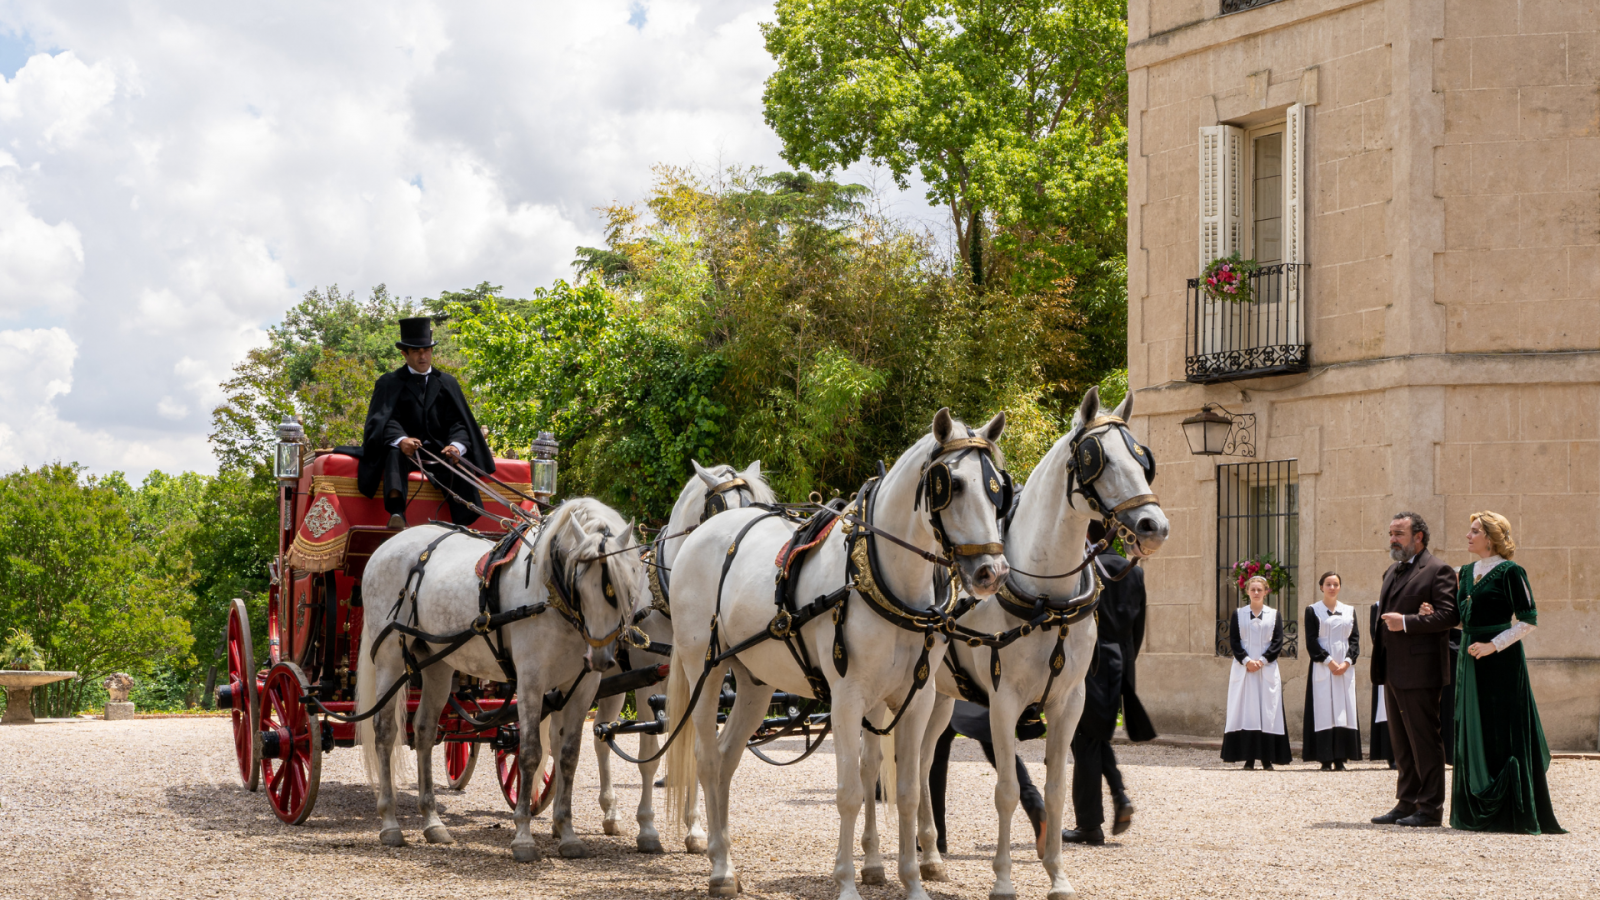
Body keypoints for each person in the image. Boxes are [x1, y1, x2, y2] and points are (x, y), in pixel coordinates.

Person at [1437, 511, 1564, 834]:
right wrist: (1438, 615)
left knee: (1502, 728)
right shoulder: (1465, 572)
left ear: (1491, 537)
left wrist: (1493, 645)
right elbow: (1466, 617)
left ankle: (1510, 810)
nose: (1468, 535)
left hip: (1502, 663)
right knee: (1472, 728)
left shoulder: (1511, 571)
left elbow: (1528, 620)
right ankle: (1474, 809)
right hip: (1470, 659)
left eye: (1475, 530)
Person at [1064, 524, 1156, 845]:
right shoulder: (1135, 572)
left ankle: (1090, 825)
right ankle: (1118, 796)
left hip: (1091, 662)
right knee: (1094, 735)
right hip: (1121, 662)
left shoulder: (1084, 567)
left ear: (1086, 534)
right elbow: (1138, 629)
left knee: (1084, 738)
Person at [358, 316, 495, 528]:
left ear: (431, 351)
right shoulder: (388, 382)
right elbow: (384, 420)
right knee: (393, 453)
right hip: (405, 452)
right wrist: (401, 439)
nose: (423, 356)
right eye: (416, 351)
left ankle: (466, 520)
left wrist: (456, 446)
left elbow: (459, 423)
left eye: (426, 351)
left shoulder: (447, 383)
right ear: (404, 354)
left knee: (457, 462)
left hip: (441, 451)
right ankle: (396, 512)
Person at [1370, 511, 1458, 827]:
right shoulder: (1391, 571)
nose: (1392, 539)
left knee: (1424, 740)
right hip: (1392, 669)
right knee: (1402, 743)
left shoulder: (1438, 571)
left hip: (1421, 671)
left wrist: (1409, 622)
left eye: (1399, 533)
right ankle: (1406, 802)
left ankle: (1430, 808)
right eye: (1391, 533)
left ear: (1418, 536)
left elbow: (1449, 616)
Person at [927, 699, 1046, 855]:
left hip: (955, 695)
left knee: (936, 756)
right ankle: (1034, 802)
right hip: (988, 695)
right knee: (1001, 752)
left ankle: (937, 837)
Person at [1221, 575, 1291, 769]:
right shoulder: (1238, 614)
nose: (1256, 593)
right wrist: (1246, 661)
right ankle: (1249, 758)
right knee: (1246, 712)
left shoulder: (1274, 614)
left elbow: (1277, 642)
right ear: (1247, 592)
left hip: (1266, 669)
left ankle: (1267, 759)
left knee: (1267, 712)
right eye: (1253, 589)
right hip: (1244, 670)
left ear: (1266, 591)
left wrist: (1261, 661)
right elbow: (1234, 640)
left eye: (1260, 589)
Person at [1303, 571, 1361, 769]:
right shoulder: (1312, 610)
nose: (1332, 588)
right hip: (1322, 667)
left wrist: (1347, 662)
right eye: (1328, 584)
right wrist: (1328, 661)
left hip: (1344, 669)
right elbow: (1311, 640)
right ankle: (1325, 759)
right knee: (1324, 710)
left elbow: (1354, 640)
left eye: (1336, 584)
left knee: (1343, 710)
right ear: (1321, 587)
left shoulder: (1349, 610)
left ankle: (1341, 758)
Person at [1367, 602, 1395, 769]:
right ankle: (1390, 755)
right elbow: (1375, 634)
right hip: (1387, 658)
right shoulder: (1377, 606)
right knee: (1386, 709)